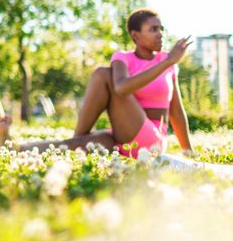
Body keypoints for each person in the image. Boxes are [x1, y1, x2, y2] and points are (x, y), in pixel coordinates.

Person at [19, 9, 193, 158]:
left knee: (104, 74)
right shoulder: (123, 58)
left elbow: (176, 111)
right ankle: (16, 149)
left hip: (151, 142)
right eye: (153, 29)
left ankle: (78, 136)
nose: (160, 33)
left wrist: (188, 151)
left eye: (161, 29)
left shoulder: (167, 62)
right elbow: (120, 87)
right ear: (135, 35)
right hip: (123, 135)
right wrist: (168, 61)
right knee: (74, 144)